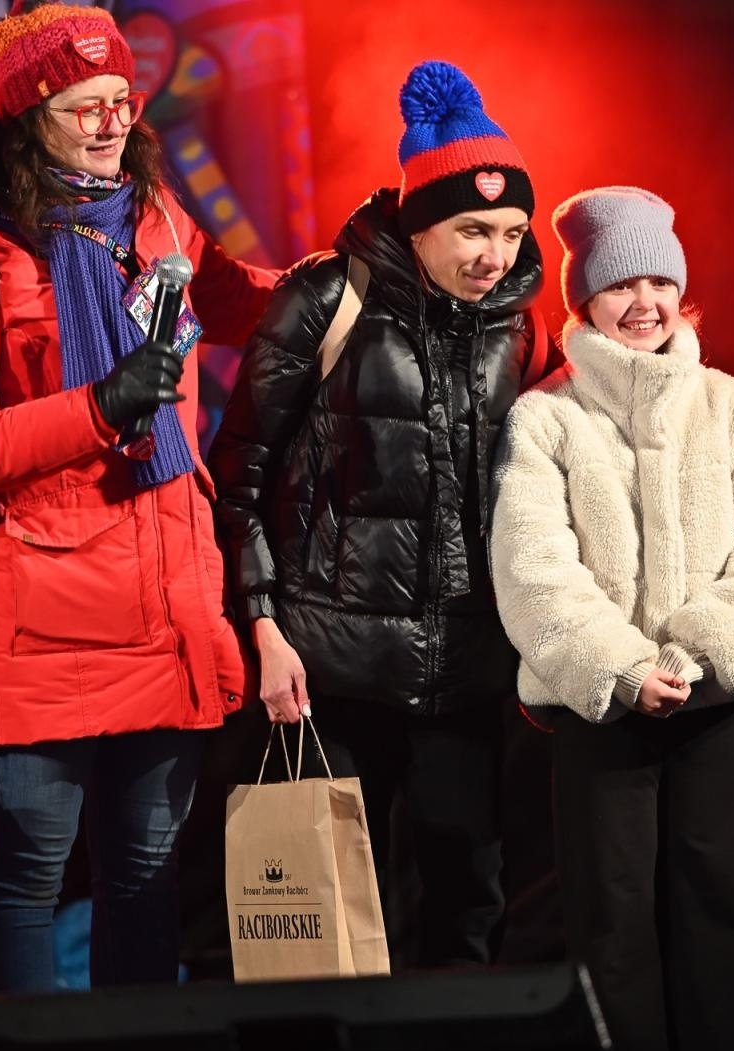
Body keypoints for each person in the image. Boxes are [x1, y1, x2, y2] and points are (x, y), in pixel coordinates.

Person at [0, 2, 279, 994]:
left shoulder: (157, 220)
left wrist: (345, 272)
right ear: (30, 119)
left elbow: (238, 300)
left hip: (164, 600)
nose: (115, 123)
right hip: (40, 614)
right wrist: (99, 406)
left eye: (123, 100)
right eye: (86, 108)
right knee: (30, 871)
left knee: (148, 875)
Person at [207, 60, 558, 968]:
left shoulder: (518, 323)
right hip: (331, 672)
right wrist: (263, 626)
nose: (498, 255)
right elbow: (236, 475)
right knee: (321, 929)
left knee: (466, 916)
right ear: (419, 219)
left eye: (514, 231)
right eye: (473, 229)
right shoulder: (326, 297)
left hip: (471, 671)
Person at [489, 186, 734, 1051]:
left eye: (657, 281)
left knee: (724, 918)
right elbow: (532, 569)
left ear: (681, 290)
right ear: (583, 301)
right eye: (618, 285)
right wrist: (624, 666)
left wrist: (695, 656)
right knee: (612, 929)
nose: (643, 303)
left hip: (716, 709)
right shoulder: (545, 416)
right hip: (604, 712)